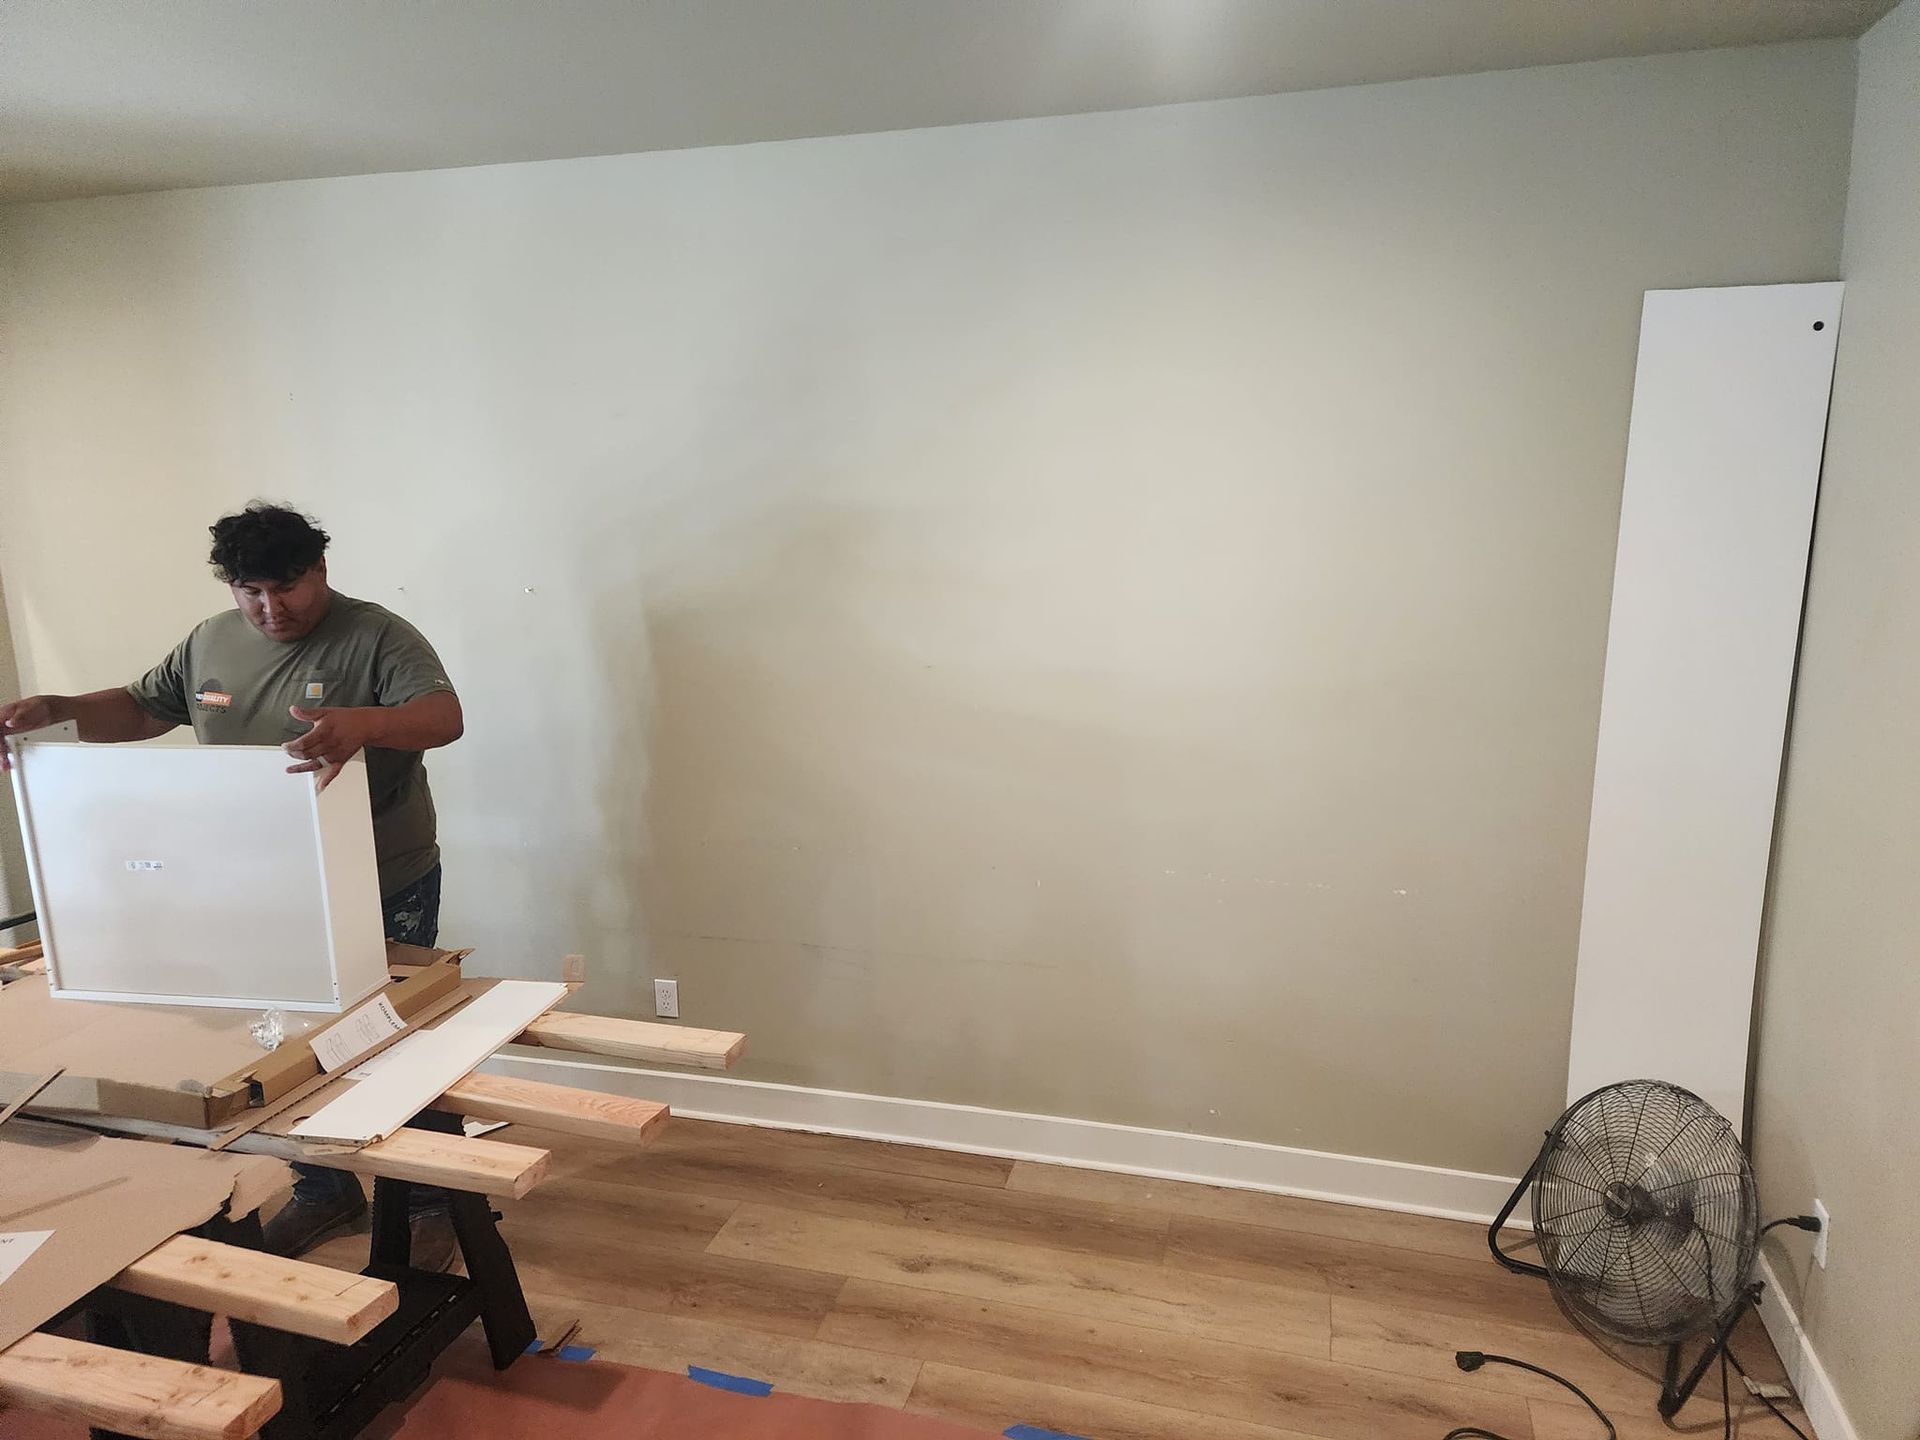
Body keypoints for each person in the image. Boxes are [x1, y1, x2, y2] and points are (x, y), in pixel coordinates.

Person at [0, 502, 464, 1265]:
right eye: (252, 591)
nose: (271, 608)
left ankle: (429, 1201)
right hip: (254, 888)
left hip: (382, 876)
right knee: (278, 1041)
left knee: (388, 1039)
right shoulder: (209, 642)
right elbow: (143, 710)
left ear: (320, 570)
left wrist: (367, 724)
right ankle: (323, 1189)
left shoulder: (377, 635)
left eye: (288, 587)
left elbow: (443, 717)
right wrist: (58, 710)